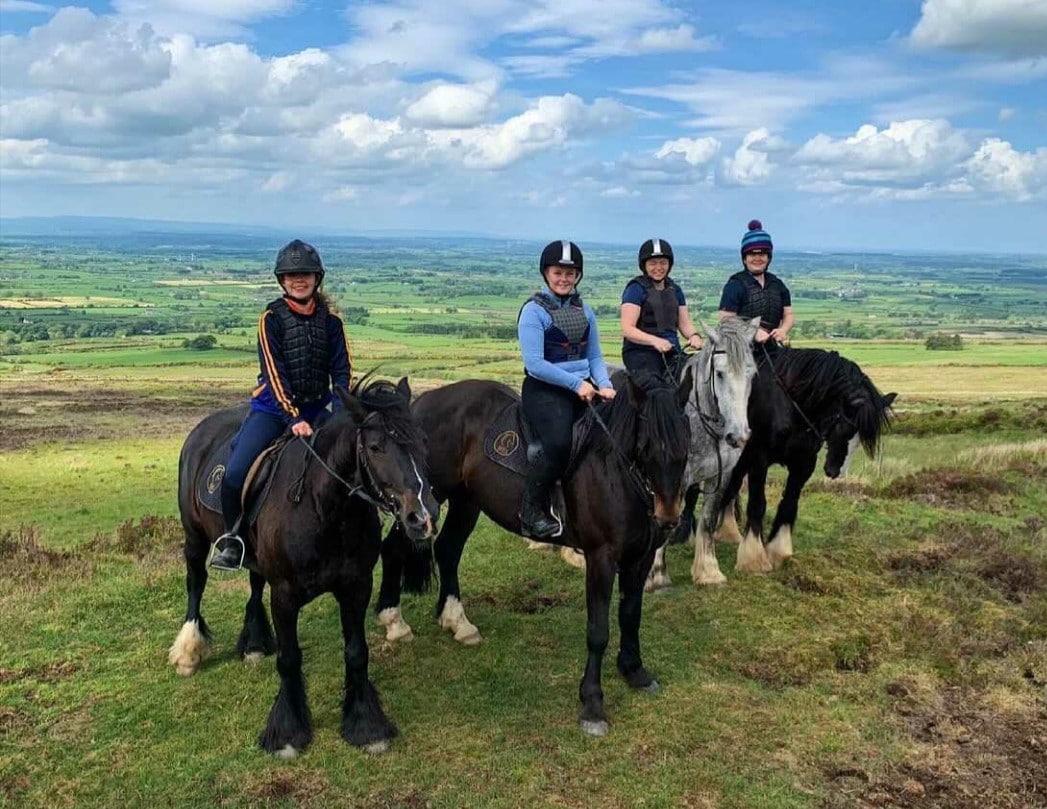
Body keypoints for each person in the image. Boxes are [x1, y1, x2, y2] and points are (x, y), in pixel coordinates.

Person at [209, 239, 353, 570]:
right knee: (235, 473)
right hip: (273, 411)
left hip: (318, 410)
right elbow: (274, 374)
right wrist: (293, 418)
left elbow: (342, 372)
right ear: (281, 280)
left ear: (317, 278)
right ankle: (233, 540)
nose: (298, 279)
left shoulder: (332, 323)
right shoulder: (271, 319)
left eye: (304, 274)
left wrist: (341, 415)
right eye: (290, 275)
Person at [516, 240, 617, 539]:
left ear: (578, 276)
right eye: (558, 272)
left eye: (570, 274)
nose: (564, 279)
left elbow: (595, 357)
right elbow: (535, 363)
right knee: (559, 442)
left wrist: (606, 385)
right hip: (545, 390)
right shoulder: (534, 311)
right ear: (546, 273)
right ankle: (531, 511)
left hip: (585, 386)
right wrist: (577, 384)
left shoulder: (585, 311)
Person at [620, 238, 703, 378]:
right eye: (653, 263)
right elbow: (628, 329)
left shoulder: (675, 290)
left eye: (663, 263)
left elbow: (684, 324)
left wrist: (694, 336)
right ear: (644, 265)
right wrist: (654, 341)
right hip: (640, 354)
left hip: (671, 352)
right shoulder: (635, 289)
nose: (658, 268)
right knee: (659, 392)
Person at [718, 220, 793, 353]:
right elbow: (726, 320)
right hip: (740, 351)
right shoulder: (735, 285)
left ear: (768, 258)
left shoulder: (778, 284)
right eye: (752, 254)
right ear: (744, 258)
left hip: (771, 348)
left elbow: (788, 314)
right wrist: (753, 332)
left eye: (762, 254)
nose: (757, 258)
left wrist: (783, 330)